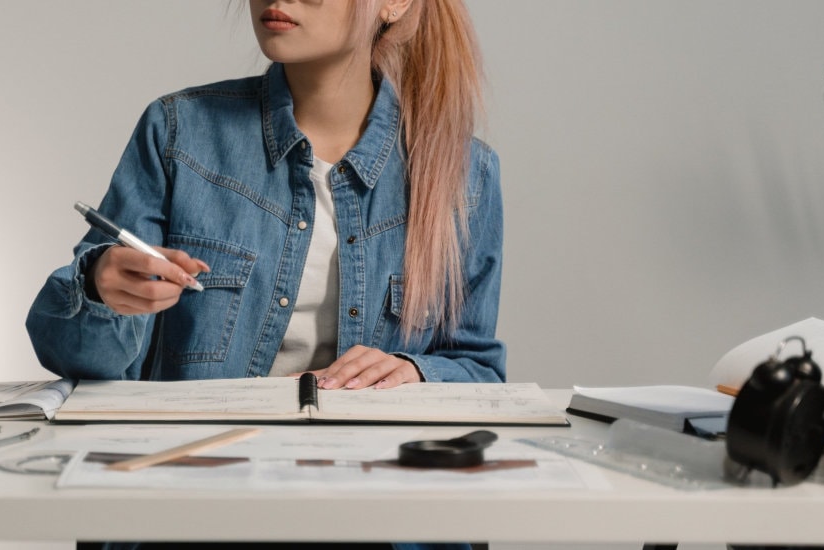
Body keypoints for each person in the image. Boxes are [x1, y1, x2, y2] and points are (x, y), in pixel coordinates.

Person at [27, 0, 501, 548]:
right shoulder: (179, 133)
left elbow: (480, 372)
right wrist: (98, 289)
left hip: (377, 514)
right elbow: (75, 360)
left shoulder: (465, 173)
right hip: (193, 509)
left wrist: (415, 373)